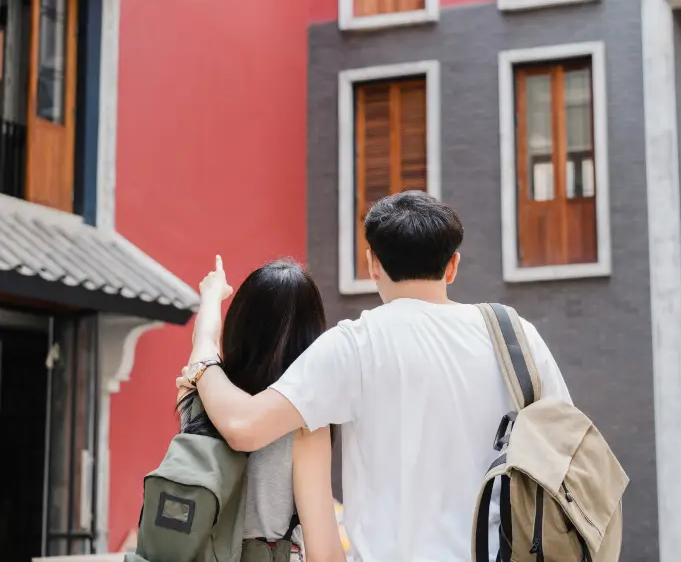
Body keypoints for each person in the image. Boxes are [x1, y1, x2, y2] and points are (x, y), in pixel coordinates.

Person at [181, 191, 572, 562]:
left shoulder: (354, 346)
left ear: (372, 264)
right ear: (452, 266)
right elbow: (567, 455)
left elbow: (242, 425)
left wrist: (203, 355)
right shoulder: (516, 337)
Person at [177, 259, 347, 562]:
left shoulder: (196, 392)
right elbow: (325, 552)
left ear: (240, 325)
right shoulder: (304, 424)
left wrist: (213, 296)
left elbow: (203, 343)